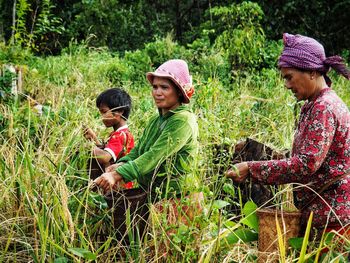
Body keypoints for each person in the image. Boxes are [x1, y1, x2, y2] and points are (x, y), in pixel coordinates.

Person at [226, 33, 350, 236]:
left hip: (333, 220)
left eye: (289, 77)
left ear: (311, 71)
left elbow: (306, 164)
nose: (287, 85)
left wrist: (252, 169)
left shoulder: (323, 108)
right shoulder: (314, 106)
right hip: (323, 216)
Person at [94, 59, 198, 199]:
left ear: (179, 92)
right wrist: (121, 164)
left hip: (176, 196)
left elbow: (154, 156)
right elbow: (140, 149)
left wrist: (116, 175)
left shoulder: (182, 121)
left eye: (164, 87)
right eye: (155, 87)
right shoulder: (157, 119)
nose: (157, 93)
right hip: (153, 192)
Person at [84, 88, 135, 187]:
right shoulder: (122, 133)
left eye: (104, 112)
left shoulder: (119, 135)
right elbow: (111, 153)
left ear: (120, 111)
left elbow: (105, 157)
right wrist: (93, 138)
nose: (102, 117)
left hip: (116, 188)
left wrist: (86, 146)